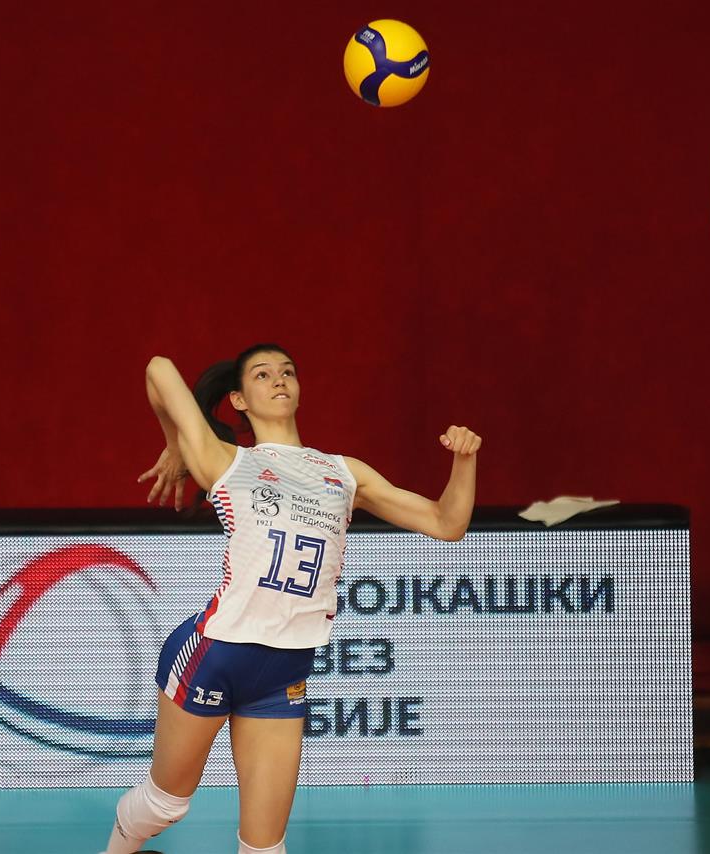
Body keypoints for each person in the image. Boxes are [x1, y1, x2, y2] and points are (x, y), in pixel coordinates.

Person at [101, 343, 481, 854]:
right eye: (262, 375)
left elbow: (447, 522)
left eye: (287, 372)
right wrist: (178, 444)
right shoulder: (226, 460)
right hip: (215, 653)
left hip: (285, 670)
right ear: (238, 399)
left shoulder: (344, 472)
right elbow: (158, 368)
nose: (279, 379)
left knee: (265, 846)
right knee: (165, 805)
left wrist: (464, 459)